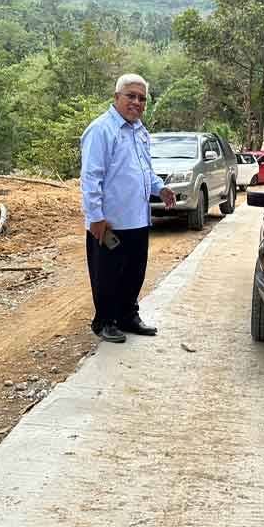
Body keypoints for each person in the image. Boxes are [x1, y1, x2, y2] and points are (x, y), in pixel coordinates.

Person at [80, 74, 176, 343]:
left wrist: (160, 188)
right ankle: (105, 321)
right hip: (110, 224)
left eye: (141, 98)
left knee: (135, 272)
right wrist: (95, 217)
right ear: (116, 98)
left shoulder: (140, 131)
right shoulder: (101, 130)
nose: (136, 102)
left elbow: (144, 170)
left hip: (138, 219)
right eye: (130, 96)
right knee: (107, 274)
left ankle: (127, 316)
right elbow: (91, 178)